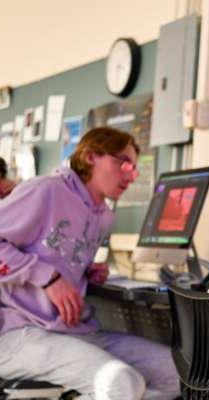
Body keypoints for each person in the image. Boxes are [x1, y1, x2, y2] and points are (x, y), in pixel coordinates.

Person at [0, 127, 180, 399]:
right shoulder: (45, 190)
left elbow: (55, 249)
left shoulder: (104, 217)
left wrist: (83, 271)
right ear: (91, 157)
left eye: (135, 167)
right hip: (19, 332)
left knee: (177, 374)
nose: (132, 175)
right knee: (120, 383)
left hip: (73, 329)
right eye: (124, 163)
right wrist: (48, 278)